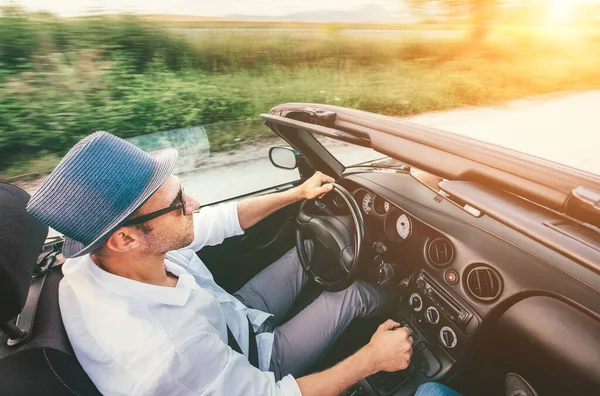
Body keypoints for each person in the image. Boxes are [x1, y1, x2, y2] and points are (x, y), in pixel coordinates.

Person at [27, 131, 459, 396]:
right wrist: (371, 359)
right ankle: (404, 300)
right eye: (178, 203)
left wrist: (297, 194)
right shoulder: (167, 355)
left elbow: (217, 221)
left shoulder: (105, 254)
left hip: (231, 315)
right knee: (355, 292)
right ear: (125, 237)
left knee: (307, 249)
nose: (193, 203)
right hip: (257, 361)